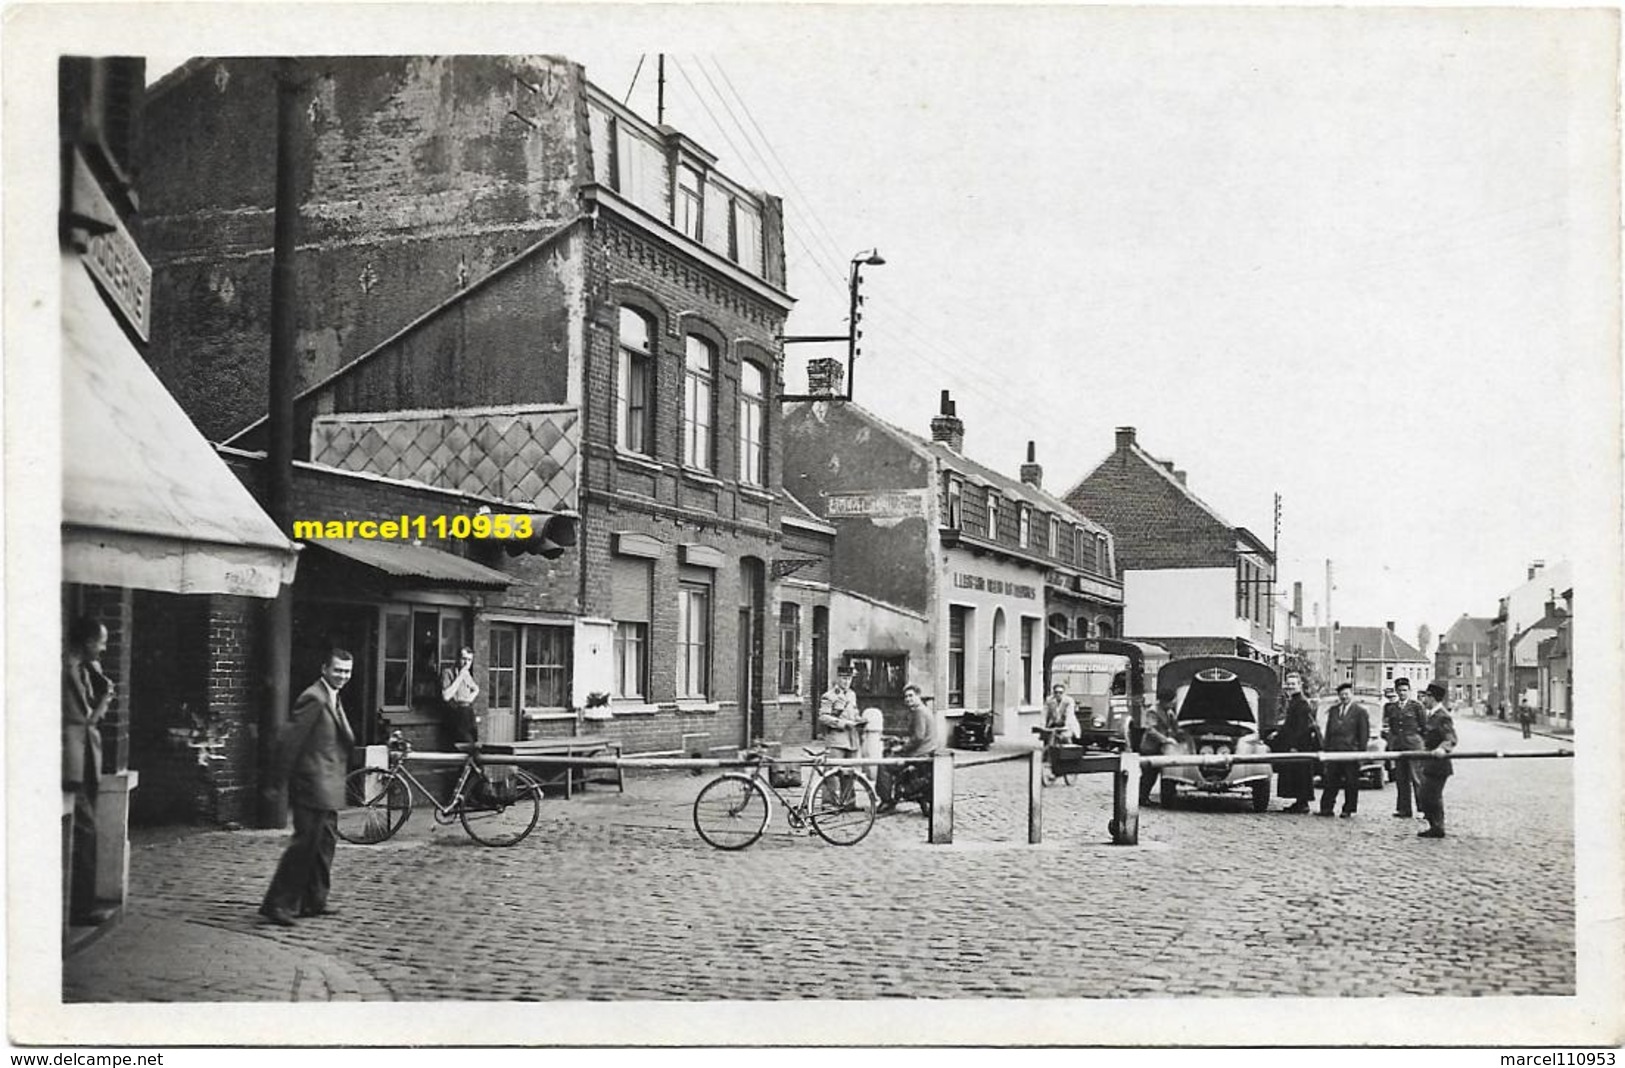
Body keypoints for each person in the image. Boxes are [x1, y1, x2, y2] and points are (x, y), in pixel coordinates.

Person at [260, 649, 356, 926]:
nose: (343, 676)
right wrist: (276, 781)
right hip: (312, 784)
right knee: (304, 847)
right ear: (324, 668)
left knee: (324, 846)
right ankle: (278, 904)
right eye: (338, 670)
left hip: (329, 786)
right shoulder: (314, 697)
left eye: (347, 672)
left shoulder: (333, 697)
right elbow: (289, 741)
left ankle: (315, 900)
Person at [63, 616, 116, 926]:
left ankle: (81, 903)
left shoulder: (82, 670)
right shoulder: (68, 670)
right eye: (101, 641)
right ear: (87, 642)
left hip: (85, 760)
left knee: (86, 830)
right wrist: (105, 698)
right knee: (86, 832)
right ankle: (81, 907)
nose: (105, 648)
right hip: (73, 760)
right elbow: (85, 721)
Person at [878, 684, 937, 813]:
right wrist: (901, 741)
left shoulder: (919, 712)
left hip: (918, 755)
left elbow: (918, 737)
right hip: (927, 751)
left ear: (918, 696)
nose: (908, 699)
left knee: (885, 764)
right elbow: (919, 735)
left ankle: (887, 800)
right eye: (906, 697)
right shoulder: (925, 710)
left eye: (911, 696)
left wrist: (901, 748)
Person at [1318, 683, 1370, 818]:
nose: (1344, 697)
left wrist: (1361, 753)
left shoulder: (1360, 712)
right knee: (1330, 781)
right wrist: (1327, 749)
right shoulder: (1334, 710)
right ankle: (1326, 808)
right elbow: (1329, 731)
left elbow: (1364, 734)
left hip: (1350, 753)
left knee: (1351, 782)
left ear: (1351, 694)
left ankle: (1349, 809)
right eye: (1342, 694)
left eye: (1346, 694)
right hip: (1334, 751)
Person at [1271, 671, 1320, 813]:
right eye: (1288, 684)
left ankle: (1302, 803)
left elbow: (1301, 728)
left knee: (1301, 774)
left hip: (1300, 746)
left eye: (1293, 684)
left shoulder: (1302, 704)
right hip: (1296, 745)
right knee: (1297, 774)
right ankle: (1300, 801)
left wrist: (1294, 746)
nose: (1290, 687)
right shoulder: (1294, 701)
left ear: (1300, 685)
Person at [1416, 680, 1459, 838]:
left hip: (1439, 765)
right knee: (1425, 795)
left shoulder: (1442, 717)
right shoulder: (1431, 714)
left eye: (1425, 697)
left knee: (1431, 795)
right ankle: (1434, 825)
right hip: (1429, 764)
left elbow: (1451, 738)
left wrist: (1442, 748)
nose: (1423, 700)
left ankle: (1438, 827)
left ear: (1432, 697)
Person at [1383, 678, 1427, 819]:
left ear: (1409, 691)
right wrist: (1391, 745)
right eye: (1400, 690)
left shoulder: (1416, 707)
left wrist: (1421, 744)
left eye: (1405, 690)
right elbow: (1389, 728)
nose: (1402, 693)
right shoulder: (1390, 708)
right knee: (1401, 779)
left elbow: (1424, 727)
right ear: (1396, 691)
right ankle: (1403, 809)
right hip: (1398, 747)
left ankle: (1423, 809)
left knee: (1417, 779)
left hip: (1414, 746)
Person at [817, 665, 862, 804]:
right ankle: (829, 803)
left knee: (849, 773)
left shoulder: (852, 695)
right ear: (837, 678)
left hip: (851, 740)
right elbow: (823, 717)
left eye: (849, 679)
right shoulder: (829, 696)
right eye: (843, 678)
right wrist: (842, 723)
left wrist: (859, 719)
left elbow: (854, 713)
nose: (846, 682)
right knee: (832, 772)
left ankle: (848, 802)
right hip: (837, 740)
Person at [1137, 687, 1178, 805]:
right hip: (1149, 748)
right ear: (1165, 701)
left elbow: (1172, 727)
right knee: (1148, 776)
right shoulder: (1153, 711)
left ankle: (1145, 797)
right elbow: (1151, 730)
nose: (1173, 703)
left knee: (1155, 775)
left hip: (1160, 748)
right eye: (1172, 701)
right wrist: (1166, 740)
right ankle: (1141, 798)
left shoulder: (1169, 712)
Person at [1039, 681, 1081, 784]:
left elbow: (1070, 714)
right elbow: (1044, 713)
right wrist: (1042, 725)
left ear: (1064, 693)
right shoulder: (1049, 700)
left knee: (1066, 741)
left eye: (1060, 692)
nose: (1058, 694)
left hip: (1067, 725)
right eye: (1056, 692)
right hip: (1054, 724)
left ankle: (1070, 763)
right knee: (1049, 742)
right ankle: (1050, 764)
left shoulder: (1069, 701)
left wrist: (1066, 726)